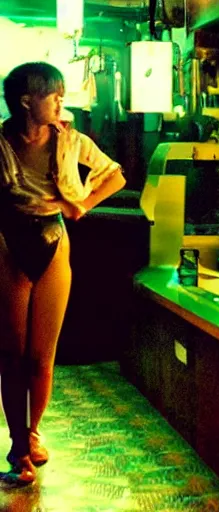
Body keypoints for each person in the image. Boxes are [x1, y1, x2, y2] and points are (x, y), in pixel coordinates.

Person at [0, 62, 126, 484]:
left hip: (55, 241)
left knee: (42, 356)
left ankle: (34, 433)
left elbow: (115, 175)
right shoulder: (0, 143)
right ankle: (18, 445)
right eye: (53, 94)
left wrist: (83, 203)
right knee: (11, 355)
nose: (61, 101)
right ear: (26, 102)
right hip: (6, 242)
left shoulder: (71, 141)